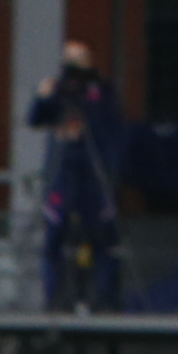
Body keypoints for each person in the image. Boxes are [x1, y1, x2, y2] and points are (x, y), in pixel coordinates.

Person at [31, 39, 129, 315]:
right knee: (55, 237)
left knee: (103, 238)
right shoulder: (56, 90)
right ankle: (54, 301)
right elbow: (36, 119)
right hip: (63, 174)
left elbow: (113, 130)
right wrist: (43, 97)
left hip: (94, 177)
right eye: (69, 60)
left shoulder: (103, 92)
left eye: (80, 59)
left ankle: (105, 300)